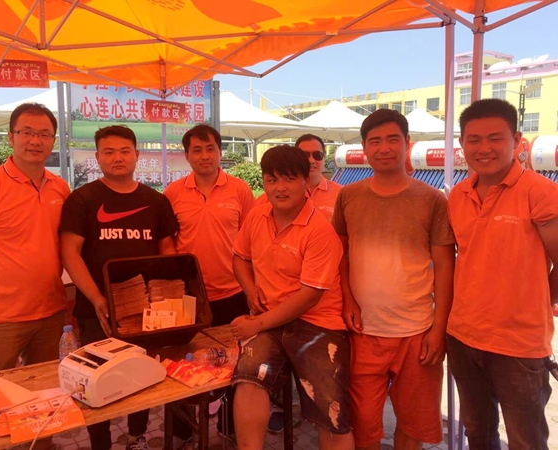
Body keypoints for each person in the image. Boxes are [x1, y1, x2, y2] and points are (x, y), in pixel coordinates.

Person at [332, 109, 455, 450]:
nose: (384, 148)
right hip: (363, 331)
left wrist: (439, 329)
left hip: (417, 332)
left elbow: (445, 267)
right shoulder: (348, 196)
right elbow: (339, 255)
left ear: (407, 143)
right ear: (364, 148)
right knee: (363, 425)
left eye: (392, 140)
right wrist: (347, 300)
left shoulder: (432, 199)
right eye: (375, 141)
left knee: (413, 424)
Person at [446, 98, 558, 450]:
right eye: (474, 139)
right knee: (478, 433)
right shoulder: (458, 196)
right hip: (463, 337)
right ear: (462, 144)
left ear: (517, 140)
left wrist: (539, 303)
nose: (484, 148)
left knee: (526, 441)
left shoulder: (540, 192)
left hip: (519, 346)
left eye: (495, 138)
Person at [60, 125, 178, 450]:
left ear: (137, 155)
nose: (118, 158)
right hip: (94, 311)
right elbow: (70, 253)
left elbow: (167, 251)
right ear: (97, 157)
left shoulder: (156, 201)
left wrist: (164, 300)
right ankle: (100, 443)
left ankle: (138, 437)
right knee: (95, 380)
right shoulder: (82, 200)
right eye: (109, 152)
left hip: (145, 311)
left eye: (125, 151)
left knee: (139, 376)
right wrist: (97, 299)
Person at [231, 145, 354, 450]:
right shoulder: (257, 214)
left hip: (317, 324)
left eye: (288, 179)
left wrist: (256, 324)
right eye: (271, 180)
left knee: (331, 409)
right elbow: (240, 257)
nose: (280, 188)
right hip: (271, 320)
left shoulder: (319, 231)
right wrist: (250, 289)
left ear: (305, 181)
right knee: (248, 378)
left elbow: (308, 297)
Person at [0, 102, 70, 373]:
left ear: (53, 140)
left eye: (44, 134)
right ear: (10, 137)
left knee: (45, 389)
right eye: (26, 132)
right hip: (0, 319)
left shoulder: (60, 188)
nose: (35, 141)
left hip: (51, 312)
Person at [163, 124, 255, 442]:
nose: (205, 155)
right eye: (197, 150)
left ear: (219, 151)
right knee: (182, 365)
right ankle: (183, 430)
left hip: (233, 293)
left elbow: (252, 239)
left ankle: (229, 427)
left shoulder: (240, 190)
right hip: (189, 298)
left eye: (210, 148)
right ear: (187, 155)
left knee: (235, 366)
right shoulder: (173, 192)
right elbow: (168, 242)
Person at [257, 134, 341, 221]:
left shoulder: (340, 194)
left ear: (324, 158)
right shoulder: (275, 195)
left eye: (317, 155)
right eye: (305, 155)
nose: (311, 161)